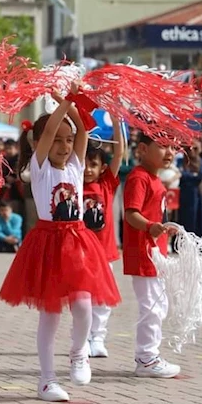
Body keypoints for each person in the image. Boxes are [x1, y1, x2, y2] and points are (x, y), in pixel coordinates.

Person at [0, 86, 121, 403]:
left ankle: (79, 353)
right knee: (49, 315)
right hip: (49, 243)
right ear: (39, 144)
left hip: (78, 241)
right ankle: (47, 380)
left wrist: (73, 96)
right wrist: (62, 100)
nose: (64, 146)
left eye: (68, 141)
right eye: (56, 140)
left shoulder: (77, 165)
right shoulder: (39, 169)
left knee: (83, 306)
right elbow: (52, 126)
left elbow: (81, 129)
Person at [123, 133, 180, 378]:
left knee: (159, 303)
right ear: (143, 149)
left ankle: (149, 355)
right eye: (163, 146)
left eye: (172, 147)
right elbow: (130, 214)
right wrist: (149, 227)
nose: (169, 152)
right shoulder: (139, 178)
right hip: (143, 253)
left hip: (155, 253)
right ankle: (147, 358)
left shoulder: (156, 180)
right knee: (152, 306)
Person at [82, 116, 123, 359]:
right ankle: (84, 337)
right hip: (81, 252)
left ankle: (98, 337)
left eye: (93, 164)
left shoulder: (107, 185)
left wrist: (117, 124)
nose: (88, 169)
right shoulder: (74, 184)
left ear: (102, 168)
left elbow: (118, 154)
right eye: (84, 164)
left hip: (104, 252)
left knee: (102, 298)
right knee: (83, 297)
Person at [178, 140, 202, 236]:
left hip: (197, 195)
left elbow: (201, 175)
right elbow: (181, 175)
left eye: (195, 148)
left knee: (197, 219)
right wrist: (193, 175)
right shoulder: (182, 161)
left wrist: (188, 176)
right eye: (189, 149)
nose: (192, 151)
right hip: (184, 194)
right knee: (184, 219)